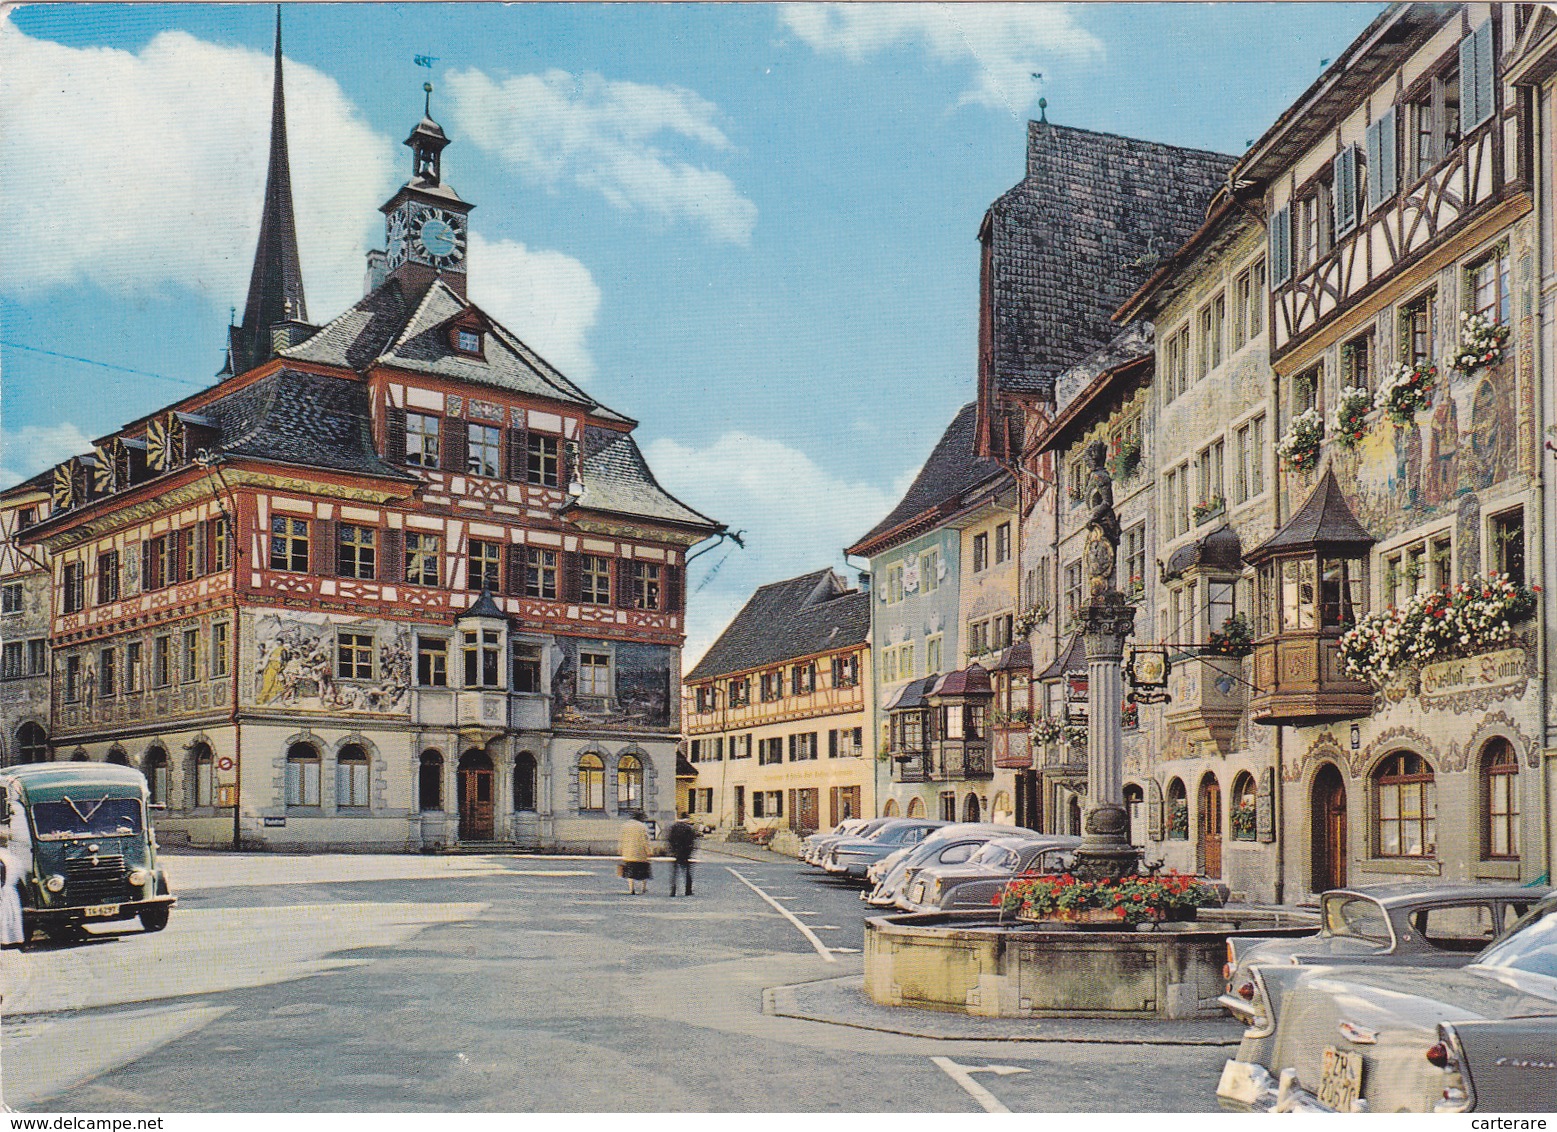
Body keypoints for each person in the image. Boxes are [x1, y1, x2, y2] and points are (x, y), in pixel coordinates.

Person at [618, 810, 652, 895]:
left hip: (628, 853)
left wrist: (620, 850)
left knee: (630, 871)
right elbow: (645, 840)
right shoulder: (642, 826)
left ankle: (631, 889)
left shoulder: (625, 826)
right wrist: (649, 851)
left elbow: (621, 839)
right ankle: (643, 888)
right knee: (643, 870)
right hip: (640, 853)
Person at [667, 814, 697, 897]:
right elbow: (692, 841)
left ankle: (673, 890)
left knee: (674, 873)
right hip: (685, 852)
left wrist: (671, 850)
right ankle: (688, 890)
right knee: (687, 872)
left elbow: (670, 839)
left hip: (676, 852)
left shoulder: (674, 827)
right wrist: (690, 851)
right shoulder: (688, 828)